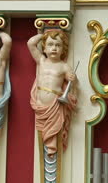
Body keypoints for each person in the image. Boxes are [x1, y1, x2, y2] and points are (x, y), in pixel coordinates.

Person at [28, 28, 77, 156]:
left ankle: (52, 147)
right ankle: (47, 147)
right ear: (44, 48)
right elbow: (30, 44)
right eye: (50, 45)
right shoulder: (42, 61)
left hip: (55, 104)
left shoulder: (63, 66)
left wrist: (72, 78)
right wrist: (44, 35)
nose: (54, 48)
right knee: (42, 130)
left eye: (58, 45)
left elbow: (72, 83)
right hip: (40, 104)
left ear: (63, 49)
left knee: (54, 130)